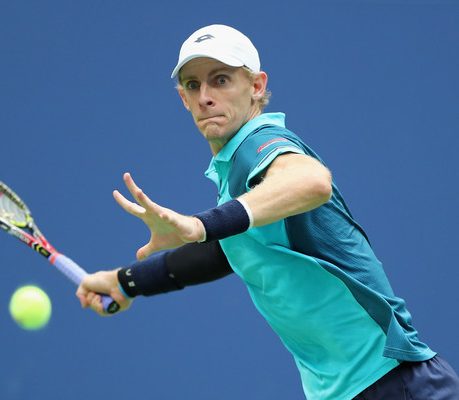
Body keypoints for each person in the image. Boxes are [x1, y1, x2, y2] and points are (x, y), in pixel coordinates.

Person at [75, 24, 459, 399]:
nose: (206, 95)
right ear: (183, 99)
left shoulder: (259, 142)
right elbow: (223, 251)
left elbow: (312, 182)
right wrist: (126, 281)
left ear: (256, 86)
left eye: (221, 79)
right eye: (193, 85)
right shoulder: (233, 172)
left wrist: (198, 224)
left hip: (395, 381)